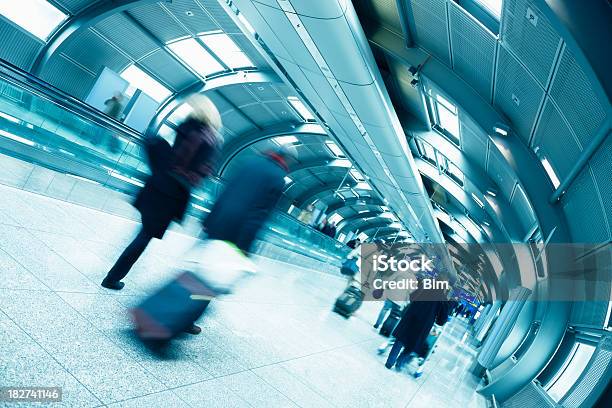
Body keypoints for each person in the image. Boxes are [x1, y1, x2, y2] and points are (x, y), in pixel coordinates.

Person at [101, 94, 222, 292]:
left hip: (156, 186)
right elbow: (191, 168)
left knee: (143, 233)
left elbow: (172, 156)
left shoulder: (186, 126)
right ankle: (112, 278)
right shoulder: (207, 137)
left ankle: (115, 273)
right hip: (169, 194)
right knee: (143, 238)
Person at [202, 144, 298, 253]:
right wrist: (245, 244)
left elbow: (226, 191)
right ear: (289, 159)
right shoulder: (278, 178)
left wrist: (208, 220)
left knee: (201, 258)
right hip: (237, 231)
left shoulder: (250, 163)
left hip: (218, 220)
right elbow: (259, 213)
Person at [385, 281, 449, 369]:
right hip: (424, 324)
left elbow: (412, 297)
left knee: (401, 338)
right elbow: (441, 320)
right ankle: (399, 363)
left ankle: (390, 362)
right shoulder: (443, 299)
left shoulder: (424, 285)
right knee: (413, 344)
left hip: (411, 316)